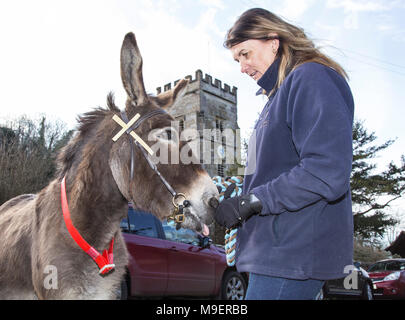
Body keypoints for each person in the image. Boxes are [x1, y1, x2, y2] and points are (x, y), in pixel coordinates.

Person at [214, 8, 355, 300]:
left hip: (294, 252)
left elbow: (325, 171)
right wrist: (237, 194)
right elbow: (273, 173)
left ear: (273, 41)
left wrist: (252, 201)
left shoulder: (311, 77)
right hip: (275, 251)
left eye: (245, 53)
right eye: (237, 59)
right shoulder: (274, 98)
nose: (242, 67)